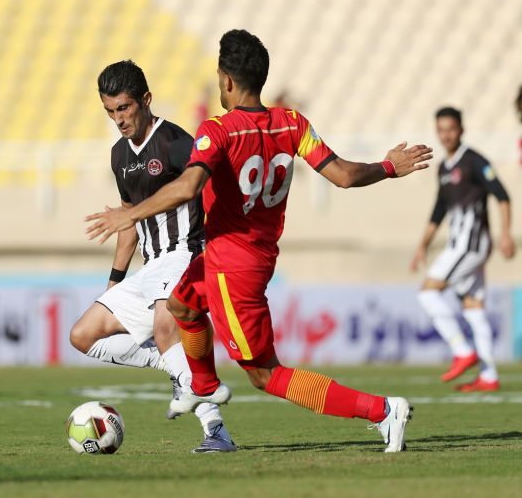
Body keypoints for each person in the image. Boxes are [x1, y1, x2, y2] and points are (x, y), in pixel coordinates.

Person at [86, 30, 433, 453]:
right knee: (182, 305)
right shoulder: (293, 123)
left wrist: (129, 214)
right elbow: (343, 175)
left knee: (264, 374)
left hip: (232, 265)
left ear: (227, 81)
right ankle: (203, 386)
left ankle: (382, 410)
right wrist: (388, 166)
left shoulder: (218, 130)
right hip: (244, 254)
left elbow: (187, 187)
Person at [70, 61, 235, 452]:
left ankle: (216, 431)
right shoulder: (118, 155)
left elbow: (210, 186)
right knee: (82, 336)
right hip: (150, 267)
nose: (118, 119)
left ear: (145, 100)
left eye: (124, 108)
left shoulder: (176, 143)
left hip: (184, 253)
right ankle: (171, 363)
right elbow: (128, 224)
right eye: (110, 111)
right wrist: (114, 284)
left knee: (165, 326)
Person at [411, 107, 514, 391]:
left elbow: (502, 195)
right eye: (441, 130)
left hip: (470, 244)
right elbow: (439, 210)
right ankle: (489, 376)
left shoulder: (474, 161)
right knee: (473, 307)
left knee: (428, 292)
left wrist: (506, 234)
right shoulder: (444, 168)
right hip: (463, 244)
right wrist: (422, 246)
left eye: (451, 129)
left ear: (461, 129)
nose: (446, 135)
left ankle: (461, 349)